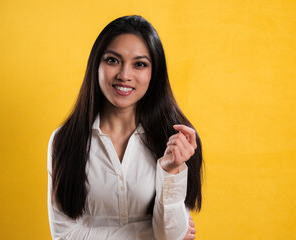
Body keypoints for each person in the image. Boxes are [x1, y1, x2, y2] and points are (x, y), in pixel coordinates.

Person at [47, 15, 203, 240]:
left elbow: (170, 236)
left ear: (154, 73)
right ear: (96, 65)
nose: (124, 75)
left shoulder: (176, 139)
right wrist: (149, 234)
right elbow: (65, 235)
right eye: (113, 60)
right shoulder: (65, 140)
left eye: (139, 64)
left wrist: (171, 170)